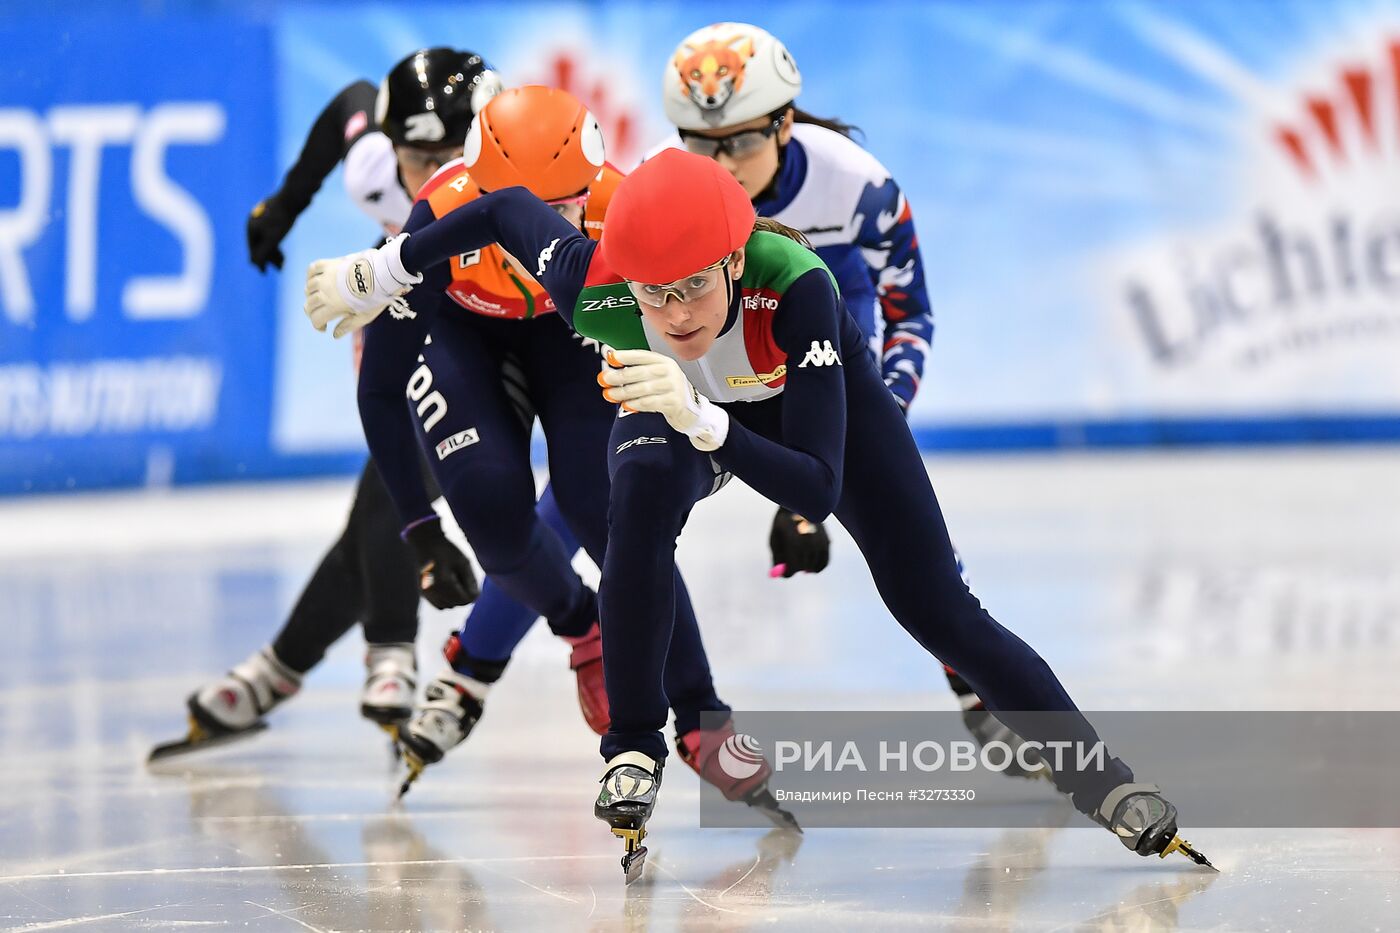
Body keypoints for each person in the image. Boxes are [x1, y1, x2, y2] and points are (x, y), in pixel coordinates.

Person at [304, 149, 1212, 877]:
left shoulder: (798, 287)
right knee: (634, 524)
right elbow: (500, 211)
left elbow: (814, 486)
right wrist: (378, 269)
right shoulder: (597, 277)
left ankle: (1104, 779)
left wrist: (701, 416)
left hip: (804, 419)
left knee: (938, 609)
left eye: (695, 287)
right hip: (674, 409)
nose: (675, 310)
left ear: (734, 260)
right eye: (652, 293)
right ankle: (634, 745)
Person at [307, 86, 796, 827]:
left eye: (568, 209)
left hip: (573, 334)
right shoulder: (439, 216)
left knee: (616, 515)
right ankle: (583, 627)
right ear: (482, 196)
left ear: (594, 188)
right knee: (494, 520)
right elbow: (380, 387)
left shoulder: (624, 209)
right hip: (464, 337)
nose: (544, 234)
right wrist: (418, 524)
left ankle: (701, 716)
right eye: (526, 211)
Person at [153, 49, 595, 758]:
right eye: (418, 159)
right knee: (403, 467)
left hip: (523, 311)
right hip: (428, 294)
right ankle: (357, 652)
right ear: (393, 152)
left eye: (456, 154)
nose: (437, 173)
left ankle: (314, 660)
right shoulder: (374, 170)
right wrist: (286, 203)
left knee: (406, 486)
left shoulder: (510, 178)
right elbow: (349, 106)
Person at [655, 22, 1043, 772]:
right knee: (623, 510)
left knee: (916, 565)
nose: (721, 164)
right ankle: (687, 714)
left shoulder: (857, 185)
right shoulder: (665, 186)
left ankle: (970, 674)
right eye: (701, 144)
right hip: (714, 382)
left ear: (785, 123)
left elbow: (911, 313)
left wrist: (875, 423)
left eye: (740, 142)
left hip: (825, 364)